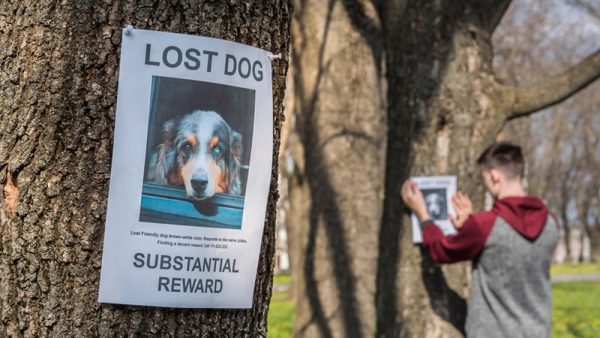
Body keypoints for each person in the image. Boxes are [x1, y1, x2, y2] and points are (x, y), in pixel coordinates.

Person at [401, 142, 558, 338]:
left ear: (494, 176)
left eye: (484, 177)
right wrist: (469, 226)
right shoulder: (550, 224)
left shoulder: (485, 224)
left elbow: (442, 250)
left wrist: (423, 215)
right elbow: (508, 251)